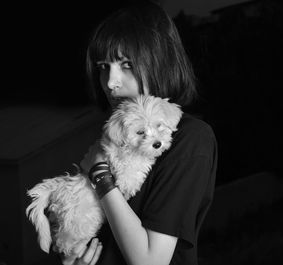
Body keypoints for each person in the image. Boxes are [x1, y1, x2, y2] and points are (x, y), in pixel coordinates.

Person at [60, 1, 217, 265]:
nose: (110, 82)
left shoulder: (190, 140)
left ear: (160, 62)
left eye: (126, 65)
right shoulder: (116, 134)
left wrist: (100, 173)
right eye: (103, 67)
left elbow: (150, 261)